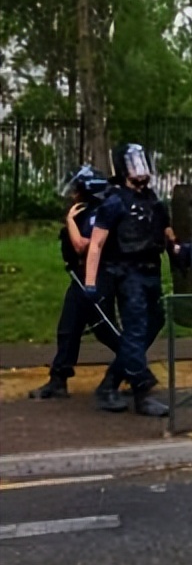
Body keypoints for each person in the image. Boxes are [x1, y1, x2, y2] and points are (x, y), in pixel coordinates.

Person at [83, 143, 183, 417]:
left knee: (152, 324)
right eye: (134, 162)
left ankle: (110, 384)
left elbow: (166, 231)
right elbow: (96, 244)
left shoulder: (152, 199)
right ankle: (142, 393)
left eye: (142, 161)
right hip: (128, 274)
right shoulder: (114, 201)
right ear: (123, 168)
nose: (140, 168)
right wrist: (91, 283)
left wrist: (178, 250)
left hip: (152, 271)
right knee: (136, 329)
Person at [27, 165, 121, 399]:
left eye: (76, 190)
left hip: (96, 278)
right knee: (68, 327)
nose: (72, 195)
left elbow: (83, 245)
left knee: (105, 330)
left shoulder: (97, 213)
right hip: (80, 277)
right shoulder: (87, 211)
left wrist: (69, 220)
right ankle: (58, 379)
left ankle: (136, 369)